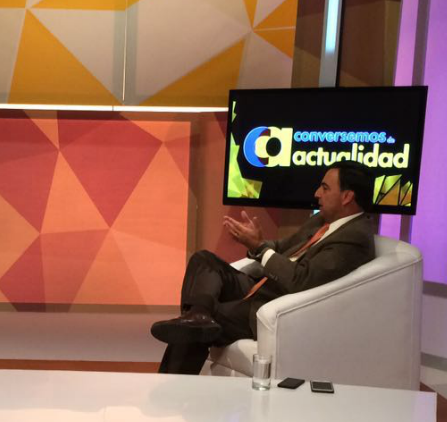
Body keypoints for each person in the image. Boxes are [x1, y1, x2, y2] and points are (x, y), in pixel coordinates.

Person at [150, 160, 375, 374]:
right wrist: (254, 242)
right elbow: (282, 247)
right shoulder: (321, 221)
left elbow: (301, 280)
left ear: (347, 196)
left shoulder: (354, 238)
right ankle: (198, 314)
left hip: (276, 306)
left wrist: (259, 248)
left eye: (325, 188)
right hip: (263, 286)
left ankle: (174, 377)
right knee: (203, 260)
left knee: (200, 326)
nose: (317, 193)